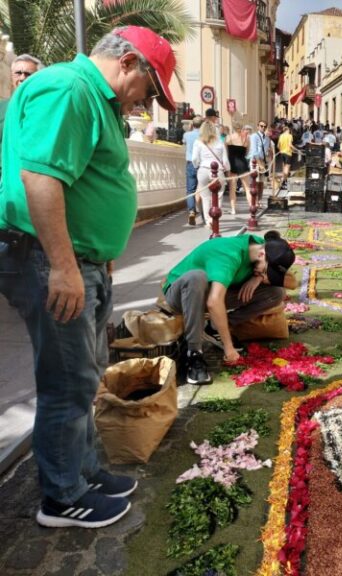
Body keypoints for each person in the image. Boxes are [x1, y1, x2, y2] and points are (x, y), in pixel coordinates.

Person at [0, 26, 177, 528]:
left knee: (87, 372)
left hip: (80, 260)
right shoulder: (69, 88)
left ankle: (83, 471)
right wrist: (63, 265)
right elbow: (41, 178)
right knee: (67, 381)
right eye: (150, 89)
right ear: (128, 63)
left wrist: (100, 251)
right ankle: (62, 497)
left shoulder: (96, 98)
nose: (146, 102)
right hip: (50, 260)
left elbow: (88, 182)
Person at [163, 231, 295, 384]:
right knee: (196, 277)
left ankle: (213, 328)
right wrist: (228, 347)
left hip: (211, 291)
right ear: (261, 254)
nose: (267, 277)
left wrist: (258, 277)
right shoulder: (228, 255)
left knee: (276, 293)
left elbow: (293, 283)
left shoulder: (263, 246)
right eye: (267, 272)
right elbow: (214, 301)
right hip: (181, 295)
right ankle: (194, 354)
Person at [0, 54, 44, 179]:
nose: (22, 77)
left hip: (33, 178)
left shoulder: (44, 108)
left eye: (28, 74)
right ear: (11, 77)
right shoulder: (1, 108)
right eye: (18, 73)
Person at [193, 121, 230, 228]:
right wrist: (227, 170)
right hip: (218, 171)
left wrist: (197, 165)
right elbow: (225, 161)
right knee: (219, 195)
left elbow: (194, 159)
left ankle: (208, 220)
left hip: (203, 169)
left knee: (205, 197)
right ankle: (215, 218)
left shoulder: (198, 142)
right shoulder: (220, 142)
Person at [226, 121, 250, 215]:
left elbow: (226, 152)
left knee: (232, 188)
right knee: (247, 188)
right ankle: (251, 207)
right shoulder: (246, 138)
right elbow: (247, 152)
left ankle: (233, 209)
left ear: (233, 127)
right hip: (243, 163)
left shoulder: (229, 138)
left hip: (232, 163)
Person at [183, 115, 203, 225]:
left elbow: (184, 142)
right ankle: (204, 214)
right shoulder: (203, 135)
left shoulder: (187, 135)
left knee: (190, 190)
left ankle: (191, 211)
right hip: (201, 164)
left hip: (190, 163)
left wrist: (190, 129)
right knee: (203, 189)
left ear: (192, 124)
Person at [248, 120, 275, 201]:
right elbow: (254, 151)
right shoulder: (254, 136)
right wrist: (259, 164)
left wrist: (271, 160)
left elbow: (269, 150)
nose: (263, 128)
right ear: (258, 126)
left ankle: (259, 200)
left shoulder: (267, 139)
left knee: (261, 183)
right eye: (261, 126)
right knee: (255, 182)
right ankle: (254, 201)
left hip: (263, 161)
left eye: (265, 126)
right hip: (255, 162)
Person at [277, 124, 294, 190]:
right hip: (288, 153)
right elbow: (290, 144)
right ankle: (284, 182)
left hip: (282, 153)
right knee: (287, 167)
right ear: (288, 130)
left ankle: (285, 180)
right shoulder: (290, 136)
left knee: (284, 167)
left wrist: (281, 149)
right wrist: (296, 149)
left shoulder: (281, 136)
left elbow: (278, 146)